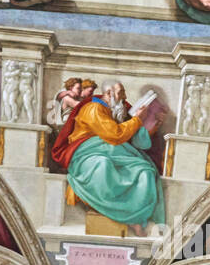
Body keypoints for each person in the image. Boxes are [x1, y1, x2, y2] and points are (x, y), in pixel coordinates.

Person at [50, 81, 165, 232]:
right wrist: (137, 119)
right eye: (121, 92)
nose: (124, 96)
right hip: (86, 154)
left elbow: (135, 140)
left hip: (114, 152)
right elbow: (114, 134)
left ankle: (135, 217)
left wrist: (153, 123)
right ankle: (123, 215)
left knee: (144, 170)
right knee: (102, 165)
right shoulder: (93, 108)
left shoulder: (115, 110)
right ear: (109, 94)